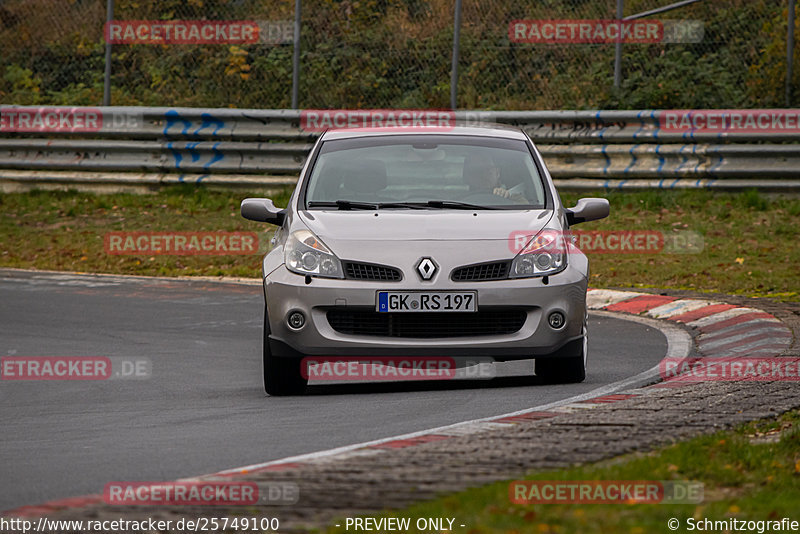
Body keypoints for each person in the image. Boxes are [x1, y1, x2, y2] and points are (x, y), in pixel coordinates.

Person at [462, 154, 528, 203]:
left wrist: (507, 198)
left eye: (488, 169)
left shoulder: (512, 197)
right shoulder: (454, 201)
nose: (483, 175)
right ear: (466, 176)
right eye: (477, 171)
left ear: (497, 173)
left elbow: (527, 213)